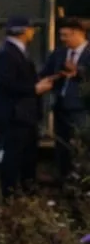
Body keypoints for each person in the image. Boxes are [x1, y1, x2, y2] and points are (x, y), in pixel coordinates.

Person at [0, 15, 56, 197]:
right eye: (30, 29)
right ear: (23, 31)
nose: (33, 32)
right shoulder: (7, 53)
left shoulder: (15, 51)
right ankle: (10, 195)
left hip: (25, 114)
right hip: (15, 114)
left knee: (28, 157)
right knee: (14, 156)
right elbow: (6, 83)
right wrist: (35, 88)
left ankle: (27, 192)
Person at [43, 17, 88, 183]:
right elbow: (46, 72)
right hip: (60, 106)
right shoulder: (59, 53)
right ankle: (63, 176)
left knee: (83, 143)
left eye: (65, 35)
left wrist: (78, 72)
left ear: (78, 34)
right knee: (61, 144)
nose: (62, 39)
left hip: (82, 108)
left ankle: (83, 178)